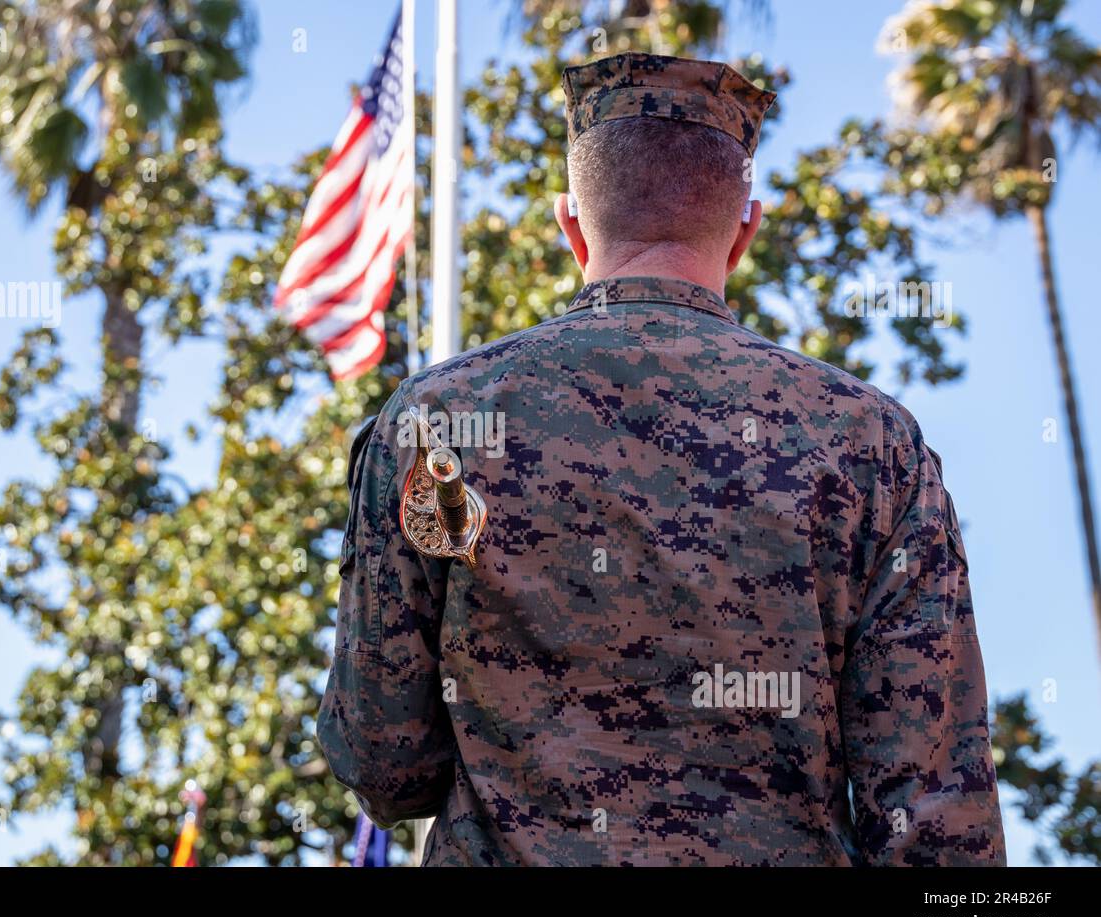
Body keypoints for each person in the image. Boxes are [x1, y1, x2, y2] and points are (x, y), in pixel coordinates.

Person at [317, 52, 1006, 866]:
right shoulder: (870, 443)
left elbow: (386, 764)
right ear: (744, 227)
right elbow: (935, 825)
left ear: (570, 223)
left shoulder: (434, 424)